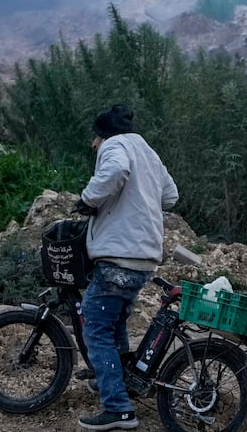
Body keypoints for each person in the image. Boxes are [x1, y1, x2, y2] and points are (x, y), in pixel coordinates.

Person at [72, 104, 178, 431]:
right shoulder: (146, 149)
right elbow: (171, 196)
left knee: (95, 327)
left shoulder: (116, 146)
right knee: (114, 321)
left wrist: (89, 200)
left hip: (120, 255)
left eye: (96, 137)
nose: (94, 144)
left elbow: (115, 172)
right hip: (144, 257)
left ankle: (118, 409)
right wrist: (139, 200)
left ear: (105, 135)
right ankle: (116, 383)